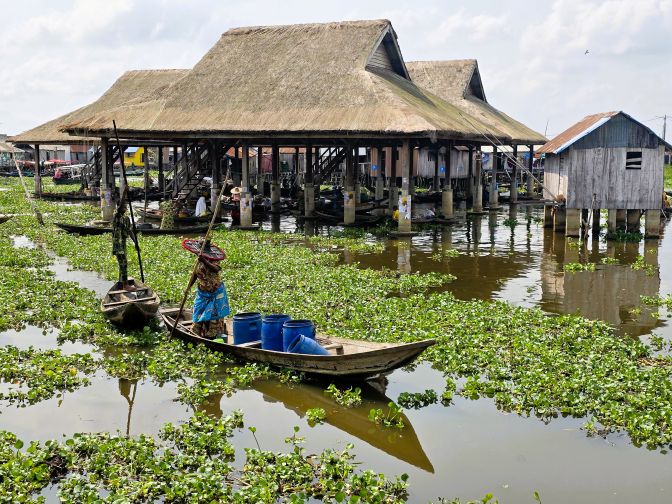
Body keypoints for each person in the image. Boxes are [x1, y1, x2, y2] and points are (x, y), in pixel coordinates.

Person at [182, 239, 230, 339]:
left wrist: (204, 261)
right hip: (202, 292)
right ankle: (198, 334)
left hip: (215, 291)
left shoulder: (214, 259)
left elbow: (216, 269)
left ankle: (213, 336)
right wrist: (188, 288)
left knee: (214, 315)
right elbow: (194, 275)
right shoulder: (198, 260)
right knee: (199, 312)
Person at [112, 199, 136, 291]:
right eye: (123, 206)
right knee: (123, 263)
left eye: (126, 207)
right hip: (118, 244)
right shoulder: (116, 217)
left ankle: (120, 283)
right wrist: (125, 191)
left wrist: (136, 243)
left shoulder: (126, 219)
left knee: (123, 264)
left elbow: (130, 231)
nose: (125, 208)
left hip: (124, 243)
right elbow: (119, 208)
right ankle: (125, 285)